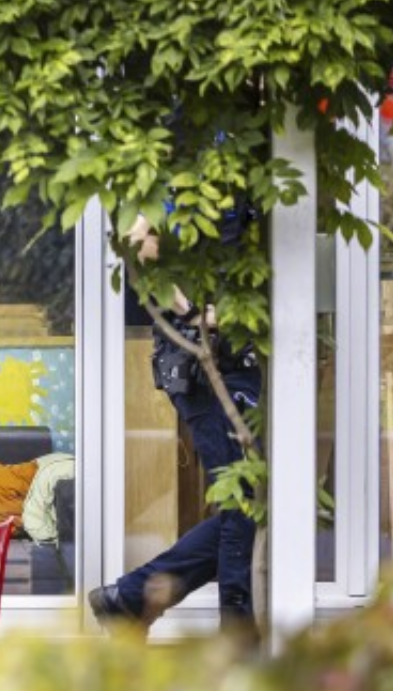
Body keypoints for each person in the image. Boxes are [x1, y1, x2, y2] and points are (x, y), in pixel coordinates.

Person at [89, 211, 262, 638]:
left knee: (245, 504)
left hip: (237, 365)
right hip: (203, 367)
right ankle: (237, 633)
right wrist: (192, 314)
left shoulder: (242, 191)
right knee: (239, 502)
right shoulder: (188, 187)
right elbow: (136, 242)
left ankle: (130, 598)